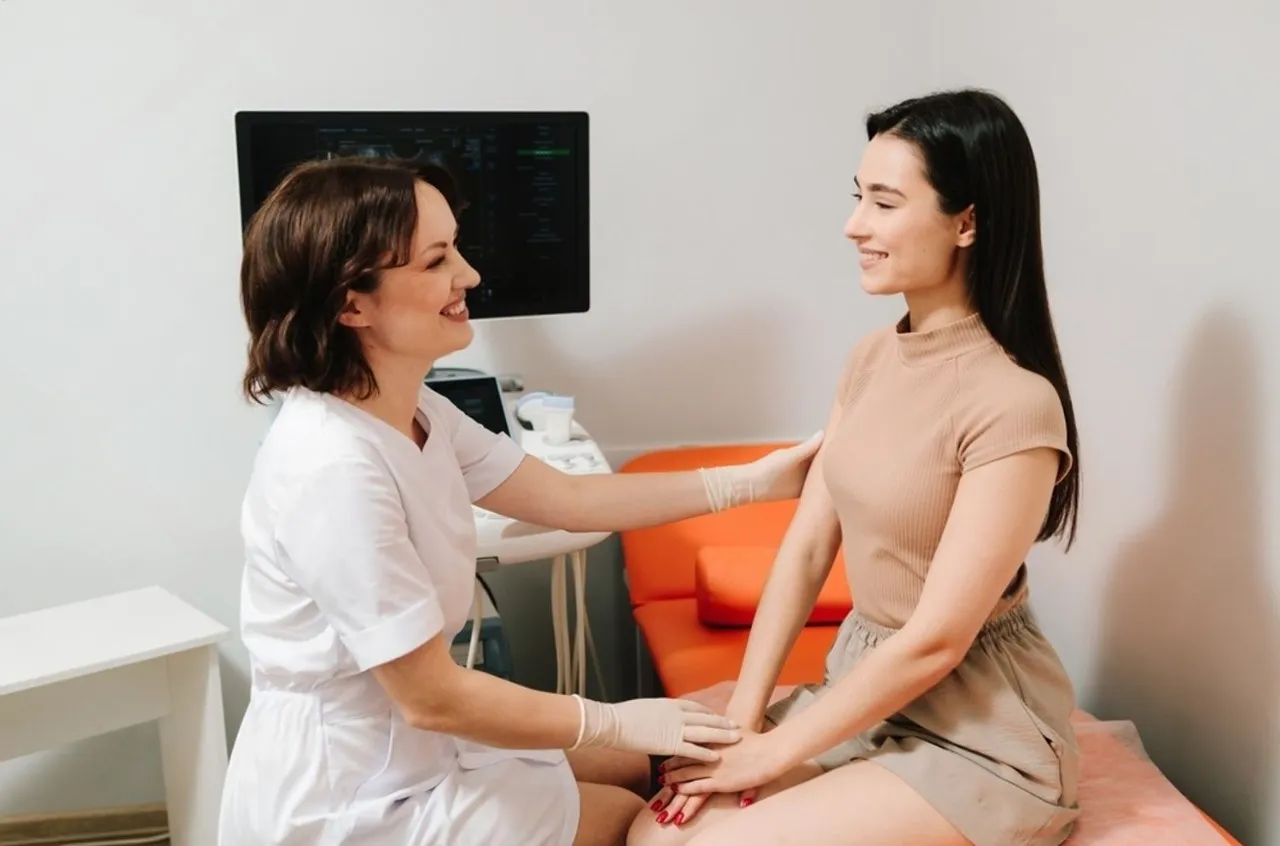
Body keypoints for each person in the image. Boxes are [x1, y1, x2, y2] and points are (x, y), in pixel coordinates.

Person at [216, 155, 824, 846]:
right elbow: (431, 697)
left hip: (419, 749)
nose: (469, 276)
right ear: (351, 303)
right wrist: (616, 719)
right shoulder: (332, 467)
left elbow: (568, 499)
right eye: (438, 260)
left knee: (670, 745)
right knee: (633, 815)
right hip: (351, 796)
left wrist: (752, 482)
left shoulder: (420, 410)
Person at [630, 88, 1083, 846]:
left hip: (977, 737)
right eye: (857, 198)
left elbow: (937, 639)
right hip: (864, 691)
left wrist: (774, 751)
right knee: (659, 832)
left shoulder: (1016, 405)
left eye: (883, 203)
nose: (854, 226)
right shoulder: (872, 357)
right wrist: (743, 719)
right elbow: (808, 547)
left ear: (966, 221)